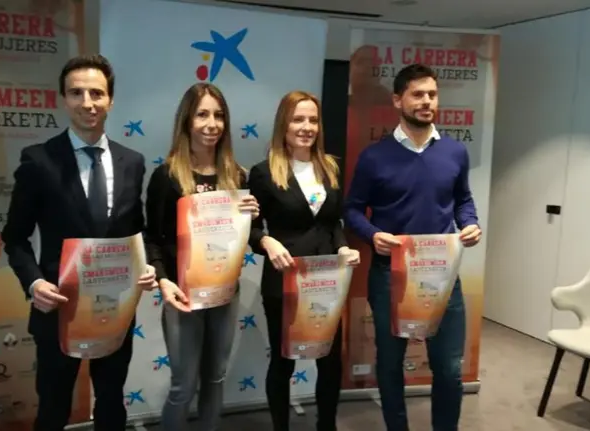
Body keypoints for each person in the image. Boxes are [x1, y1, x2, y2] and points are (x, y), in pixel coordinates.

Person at [1, 54, 158, 431]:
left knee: (111, 402)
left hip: (114, 306)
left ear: (111, 99)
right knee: (54, 407)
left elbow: (137, 231)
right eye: (77, 93)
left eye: (96, 93)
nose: (87, 102)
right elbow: (14, 237)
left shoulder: (132, 162)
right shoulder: (38, 161)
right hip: (58, 307)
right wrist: (34, 283)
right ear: (63, 99)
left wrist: (147, 263)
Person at [343, 63, 482, 431]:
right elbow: (352, 210)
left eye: (432, 95)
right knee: (390, 366)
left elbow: (463, 199)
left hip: (443, 276)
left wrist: (470, 222)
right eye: (418, 94)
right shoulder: (374, 157)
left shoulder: (454, 152)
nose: (426, 102)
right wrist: (372, 234)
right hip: (390, 277)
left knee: (449, 369)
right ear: (397, 100)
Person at [146, 82, 260, 431]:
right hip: (182, 296)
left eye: (219, 115)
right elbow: (151, 237)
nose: (212, 124)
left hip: (225, 292)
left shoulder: (237, 176)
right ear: (187, 121)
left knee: (215, 378)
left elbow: (247, 239)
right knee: (183, 385)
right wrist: (164, 281)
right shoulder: (167, 176)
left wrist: (253, 218)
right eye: (203, 114)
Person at [248, 91, 360, 431]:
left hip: (326, 281)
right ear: (284, 124)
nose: (306, 127)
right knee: (283, 363)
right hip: (284, 282)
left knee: (329, 361)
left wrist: (342, 247)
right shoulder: (264, 172)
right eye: (298, 119)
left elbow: (333, 223)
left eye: (312, 120)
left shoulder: (330, 166)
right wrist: (266, 241)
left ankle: (326, 425)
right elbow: (250, 230)